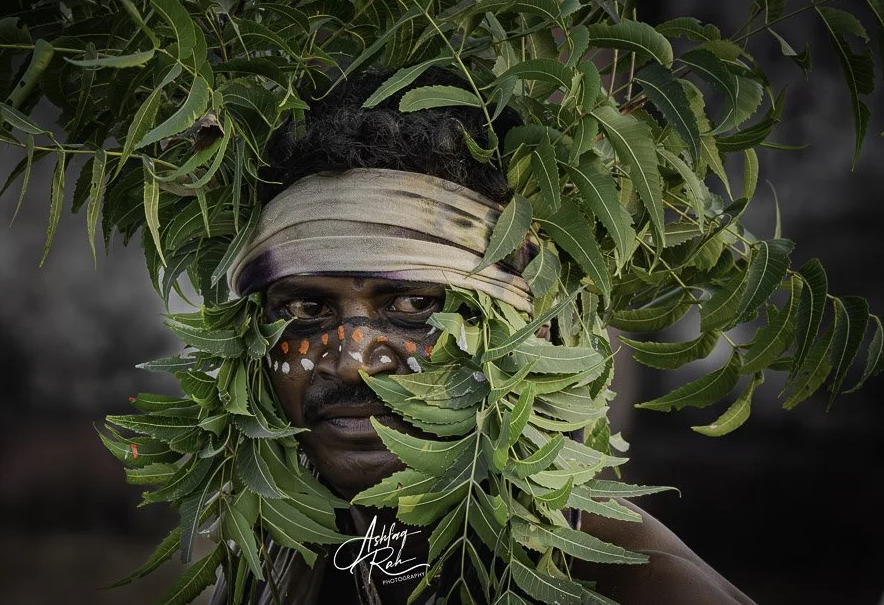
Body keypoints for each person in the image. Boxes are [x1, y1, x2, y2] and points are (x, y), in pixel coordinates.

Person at [211, 70, 755, 604]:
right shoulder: (285, 564)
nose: (353, 363)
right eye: (307, 308)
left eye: (415, 305)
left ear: (525, 331)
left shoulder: (642, 589)